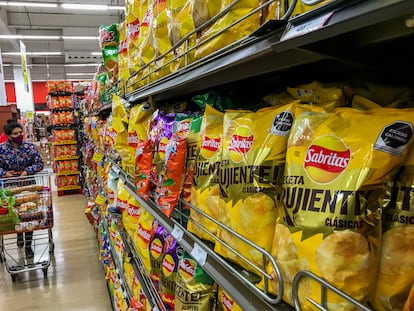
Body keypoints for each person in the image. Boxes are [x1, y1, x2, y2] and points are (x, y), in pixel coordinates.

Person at [0, 122, 44, 258]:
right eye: (15, 134)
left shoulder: (29, 147)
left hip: (28, 185)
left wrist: (27, 171)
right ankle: (19, 234)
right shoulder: (1, 149)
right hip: (10, 187)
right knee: (16, 213)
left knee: (29, 213)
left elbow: (39, 163)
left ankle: (28, 245)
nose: (19, 135)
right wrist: (4, 173)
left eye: (20, 132)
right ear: (8, 136)